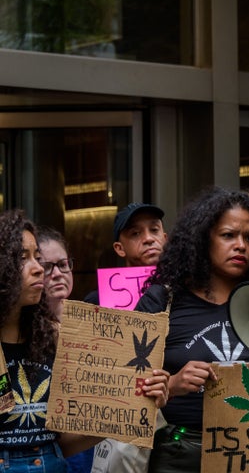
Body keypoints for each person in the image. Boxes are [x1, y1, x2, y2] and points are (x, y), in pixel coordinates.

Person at [0, 210, 169, 471]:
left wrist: (134, 407)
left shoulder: (54, 338)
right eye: (24, 259)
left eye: (38, 258)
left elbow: (61, 446)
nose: (38, 269)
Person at [135, 186, 249, 472]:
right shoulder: (162, 301)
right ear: (203, 240)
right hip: (180, 454)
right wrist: (173, 384)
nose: (241, 245)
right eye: (228, 235)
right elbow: (123, 388)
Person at [36, 226, 93, 473]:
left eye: (63, 264)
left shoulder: (91, 318)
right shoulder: (24, 333)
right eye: (47, 267)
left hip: (91, 441)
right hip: (46, 449)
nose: (57, 274)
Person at [83, 202, 167, 304]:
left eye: (154, 230)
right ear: (120, 249)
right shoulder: (98, 302)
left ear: (165, 239)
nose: (148, 239)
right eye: (135, 233)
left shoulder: (184, 289)